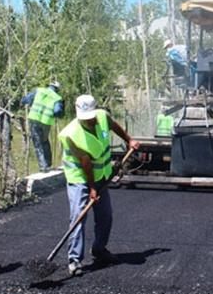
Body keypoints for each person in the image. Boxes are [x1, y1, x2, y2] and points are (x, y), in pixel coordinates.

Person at [58, 94, 140, 276]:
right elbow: (85, 163)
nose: (89, 121)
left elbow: (114, 126)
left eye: (90, 118)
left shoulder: (102, 116)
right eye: (85, 119)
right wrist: (92, 188)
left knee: (105, 216)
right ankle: (74, 260)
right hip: (80, 178)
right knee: (79, 217)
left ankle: (99, 249)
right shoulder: (70, 134)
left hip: (102, 174)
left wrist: (129, 140)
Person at [22, 81, 64, 172]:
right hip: (46, 122)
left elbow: (25, 100)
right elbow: (58, 112)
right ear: (57, 89)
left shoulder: (39, 90)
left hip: (34, 119)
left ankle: (43, 166)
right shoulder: (57, 98)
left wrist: (28, 103)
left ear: (49, 86)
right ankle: (48, 163)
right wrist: (57, 115)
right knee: (45, 141)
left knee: (37, 143)